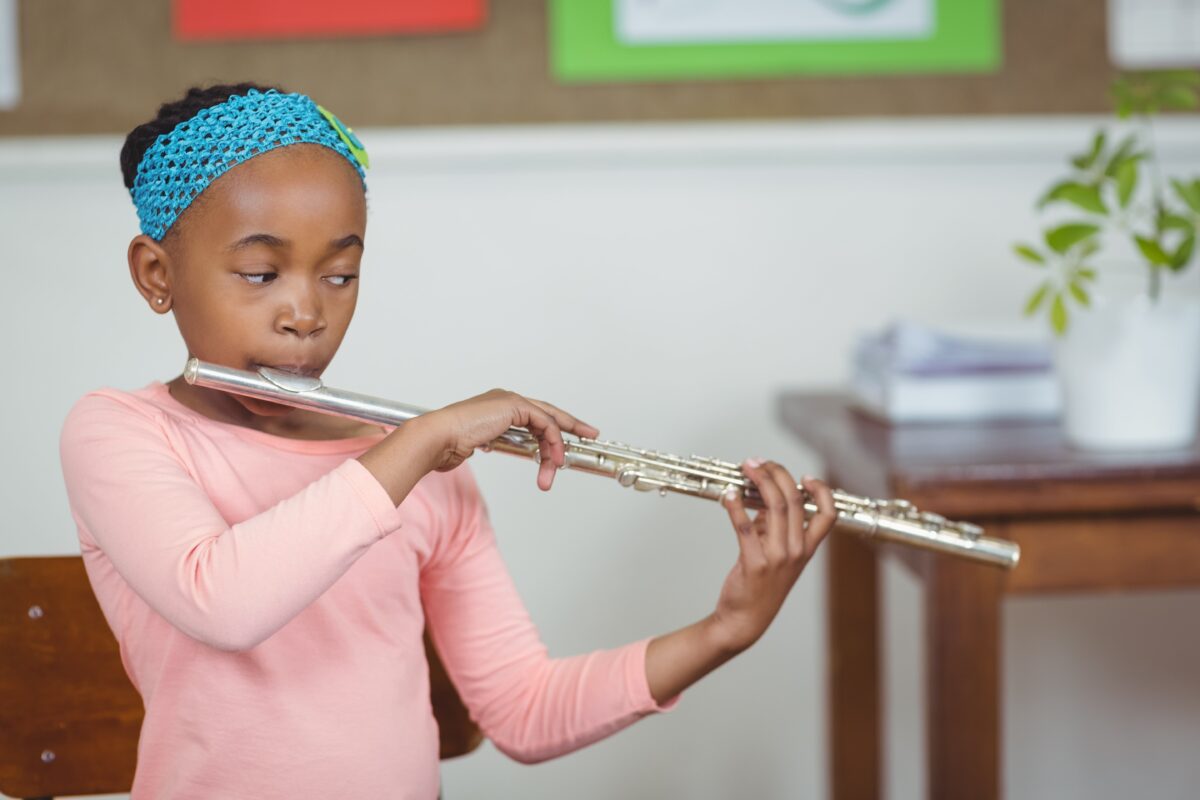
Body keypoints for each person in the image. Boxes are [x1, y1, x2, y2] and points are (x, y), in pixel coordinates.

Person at [58, 82, 837, 799]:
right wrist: (418, 442)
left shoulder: (424, 466)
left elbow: (524, 712)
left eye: (339, 275)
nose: (305, 313)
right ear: (156, 274)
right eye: (261, 273)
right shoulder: (121, 432)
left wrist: (728, 628)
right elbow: (222, 600)